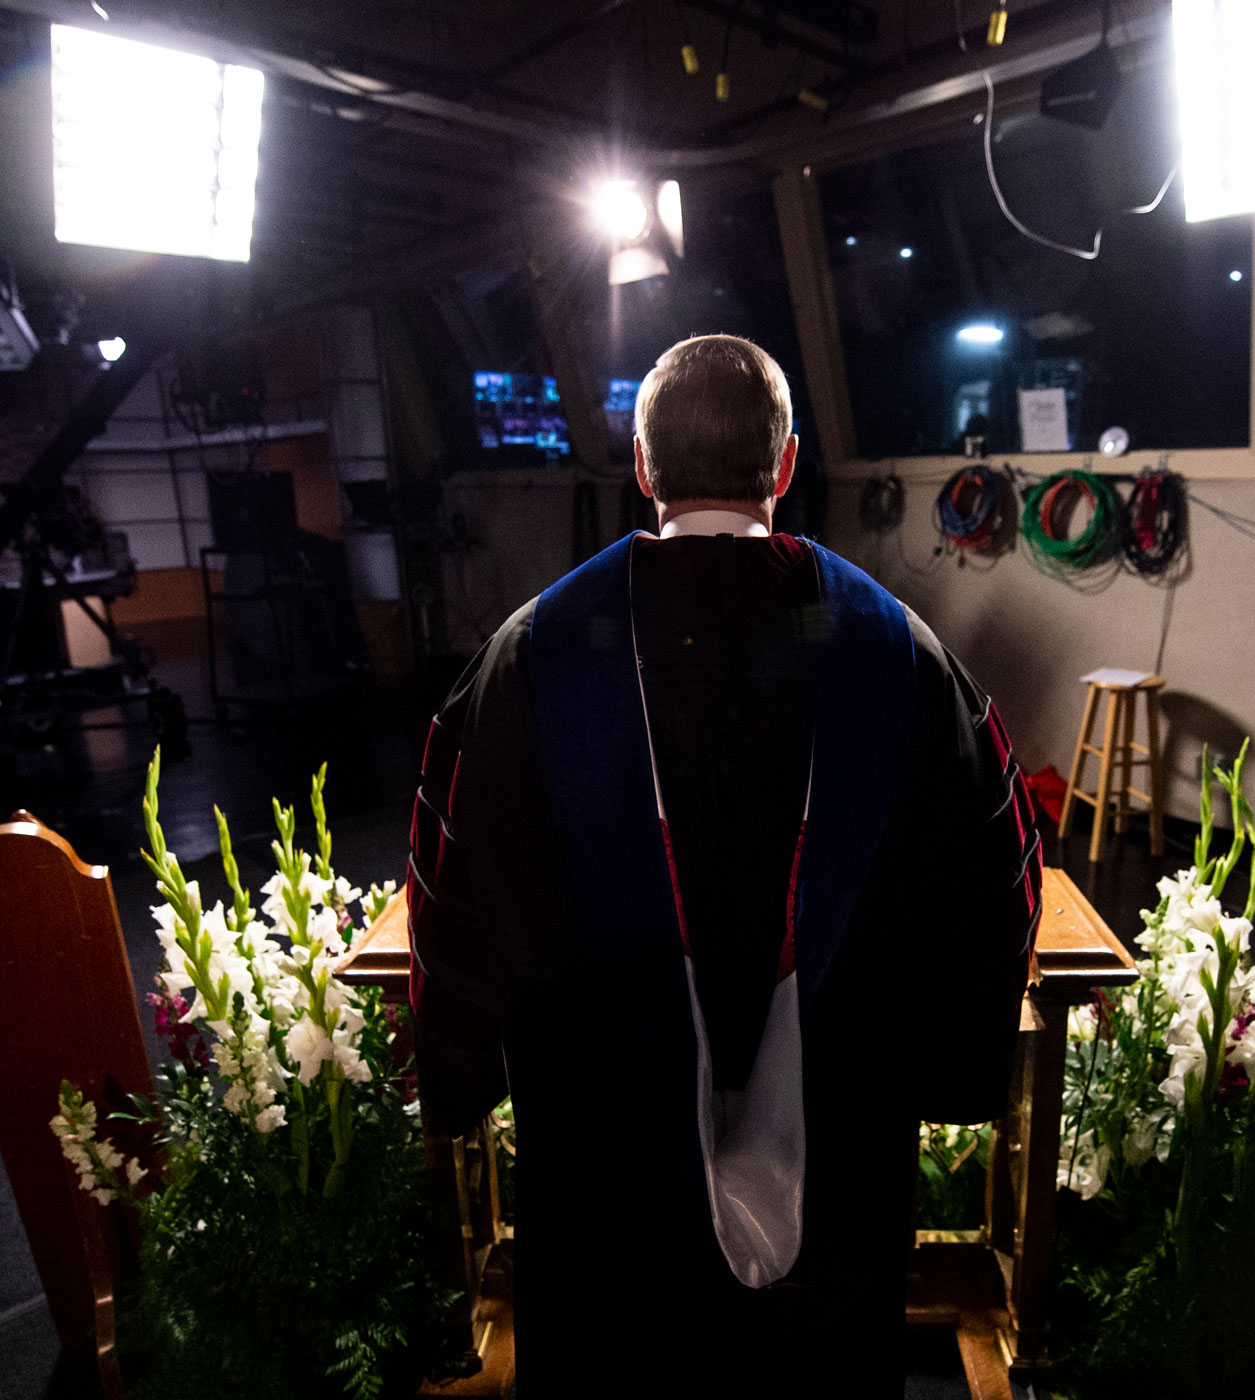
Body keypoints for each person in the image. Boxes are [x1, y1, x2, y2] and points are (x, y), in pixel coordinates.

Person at [406, 335, 1042, 1396]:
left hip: (602, 1178)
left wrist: (460, 1073)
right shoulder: (907, 659)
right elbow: (994, 889)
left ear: (645, 469)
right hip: (836, 1181)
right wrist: (953, 1075)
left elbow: (444, 897)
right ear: (786, 464)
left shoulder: (521, 663)